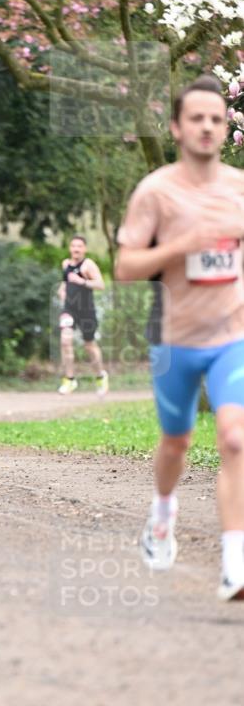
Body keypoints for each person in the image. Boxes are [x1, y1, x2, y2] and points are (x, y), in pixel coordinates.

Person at [116, 73, 244, 601]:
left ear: (226, 127)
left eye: (216, 118)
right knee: (177, 440)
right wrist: (181, 246)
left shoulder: (239, 188)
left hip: (233, 335)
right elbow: (125, 267)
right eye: (197, 118)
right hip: (174, 340)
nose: (207, 127)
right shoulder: (156, 191)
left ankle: (235, 564)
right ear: (176, 127)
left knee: (235, 438)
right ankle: (162, 511)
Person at [57, 235, 108, 395]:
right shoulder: (66, 264)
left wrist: (82, 281)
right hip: (69, 310)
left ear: (84, 249)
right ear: (70, 248)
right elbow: (65, 282)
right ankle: (69, 379)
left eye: (79, 246)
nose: (76, 249)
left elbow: (100, 285)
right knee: (65, 341)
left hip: (86, 311)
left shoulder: (88, 265)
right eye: (73, 246)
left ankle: (100, 376)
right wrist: (62, 291)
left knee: (89, 345)